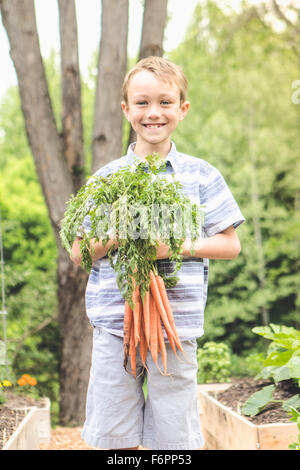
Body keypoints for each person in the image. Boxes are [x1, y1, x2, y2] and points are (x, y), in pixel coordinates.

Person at [70, 56, 245, 450]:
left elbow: (230, 245)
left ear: (182, 109)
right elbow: (78, 254)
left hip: (175, 328)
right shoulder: (106, 180)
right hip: (117, 325)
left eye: (165, 102)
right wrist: (118, 233)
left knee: (175, 438)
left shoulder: (202, 175)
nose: (154, 113)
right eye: (142, 102)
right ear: (126, 110)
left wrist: (174, 245)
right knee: (113, 437)